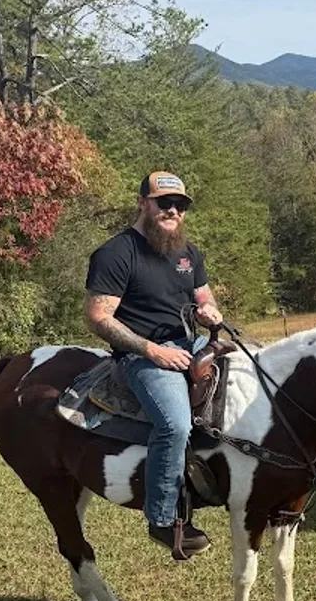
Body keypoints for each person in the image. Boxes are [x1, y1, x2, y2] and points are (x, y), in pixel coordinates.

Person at [83, 172, 223, 558]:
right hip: (141, 356)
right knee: (175, 425)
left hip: (190, 343)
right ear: (142, 202)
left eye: (180, 205)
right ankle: (162, 518)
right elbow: (99, 317)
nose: (173, 210)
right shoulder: (116, 253)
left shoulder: (187, 253)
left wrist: (209, 313)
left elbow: (204, 298)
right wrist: (152, 351)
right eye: (164, 202)